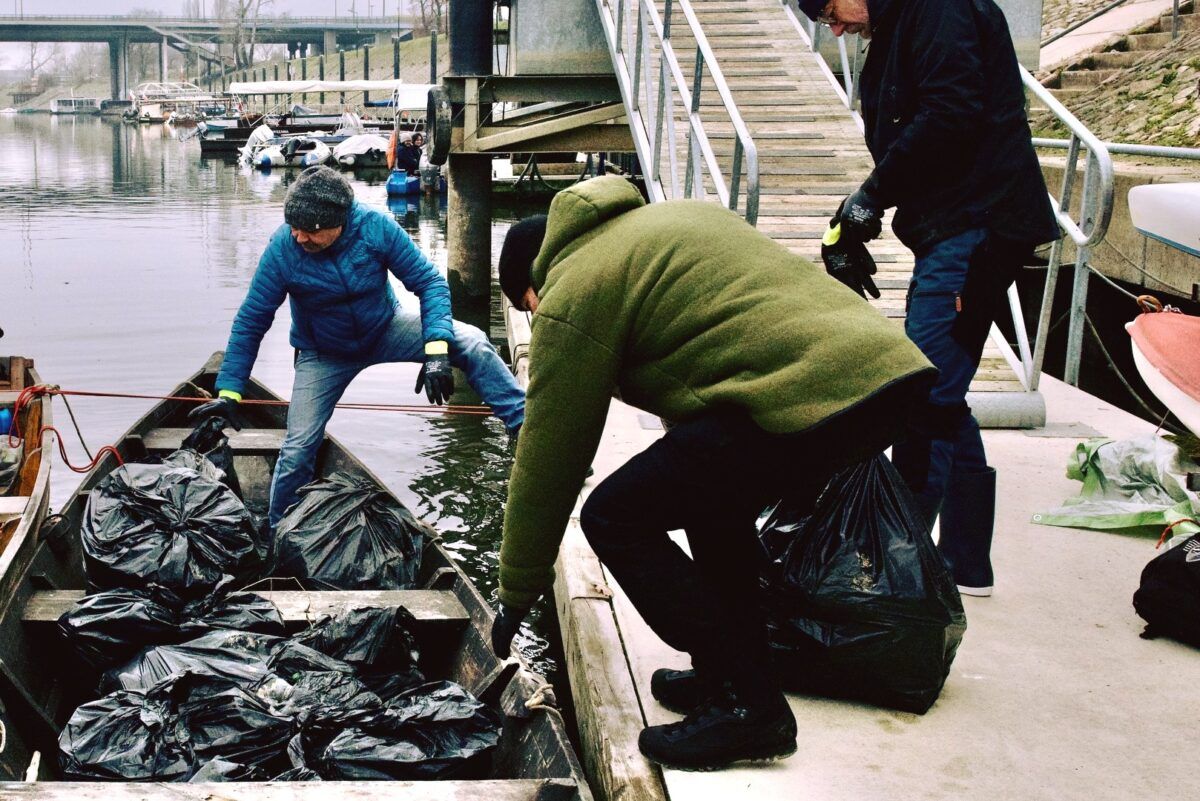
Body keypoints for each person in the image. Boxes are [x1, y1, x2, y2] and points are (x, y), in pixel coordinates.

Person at [489, 175, 936, 771]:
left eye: (527, 308)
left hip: (816, 392)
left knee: (615, 516)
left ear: (534, 282)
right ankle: (724, 674)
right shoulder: (668, 224)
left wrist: (516, 591)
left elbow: (549, 458)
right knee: (711, 504)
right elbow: (718, 341)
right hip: (885, 374)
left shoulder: (574, 289)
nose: (537, 321)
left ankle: (752, 708)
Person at [810, 0, 1060, 596]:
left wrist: (872, 196)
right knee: (943, 394)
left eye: (828, 10)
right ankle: (966, 564)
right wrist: (855, 216)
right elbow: (914, 132)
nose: (836, 28)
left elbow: (950, 115)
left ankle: (895, 568)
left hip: (975, 224)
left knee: (920, 392)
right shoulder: (902, 21)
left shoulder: (938, 8)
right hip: (953, 224)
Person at [190, 166, 525, 527]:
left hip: (385, 328)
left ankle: (525, 429)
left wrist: (436, 352)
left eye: (310, 230)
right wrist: (229, 392)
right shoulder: (282, 250)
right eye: (294, 227)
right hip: (323, 352)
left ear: (339, 222)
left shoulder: (374, 228)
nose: (299, 236)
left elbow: (430, 284)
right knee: (299, 448)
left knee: (474, 342)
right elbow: (252, 320)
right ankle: (278, 531)